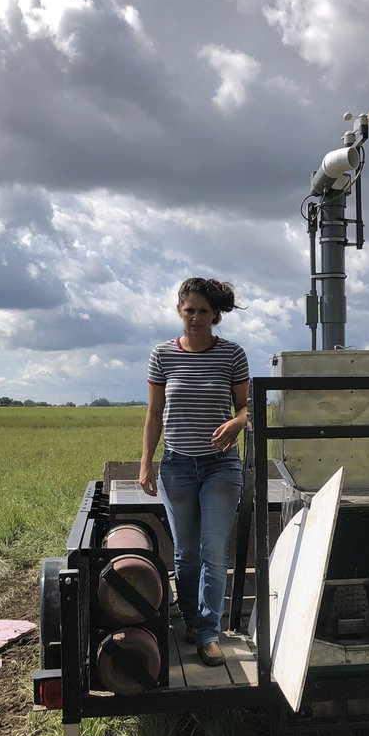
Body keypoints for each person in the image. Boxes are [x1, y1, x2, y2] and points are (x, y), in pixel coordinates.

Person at [139, 278, 249, 666]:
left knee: (213, 551)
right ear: (179, 311)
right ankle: (190, 620)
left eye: (204, 311)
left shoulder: (232, 354)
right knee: (185, 554)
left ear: (215, 315)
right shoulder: (163, 355)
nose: (196, 317)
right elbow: (155, 413)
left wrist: (238, 422)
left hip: (221, 466)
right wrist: (146, 462)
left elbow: (247, 406)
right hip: (177, 466)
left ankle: (208, 633)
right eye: (190, 310)